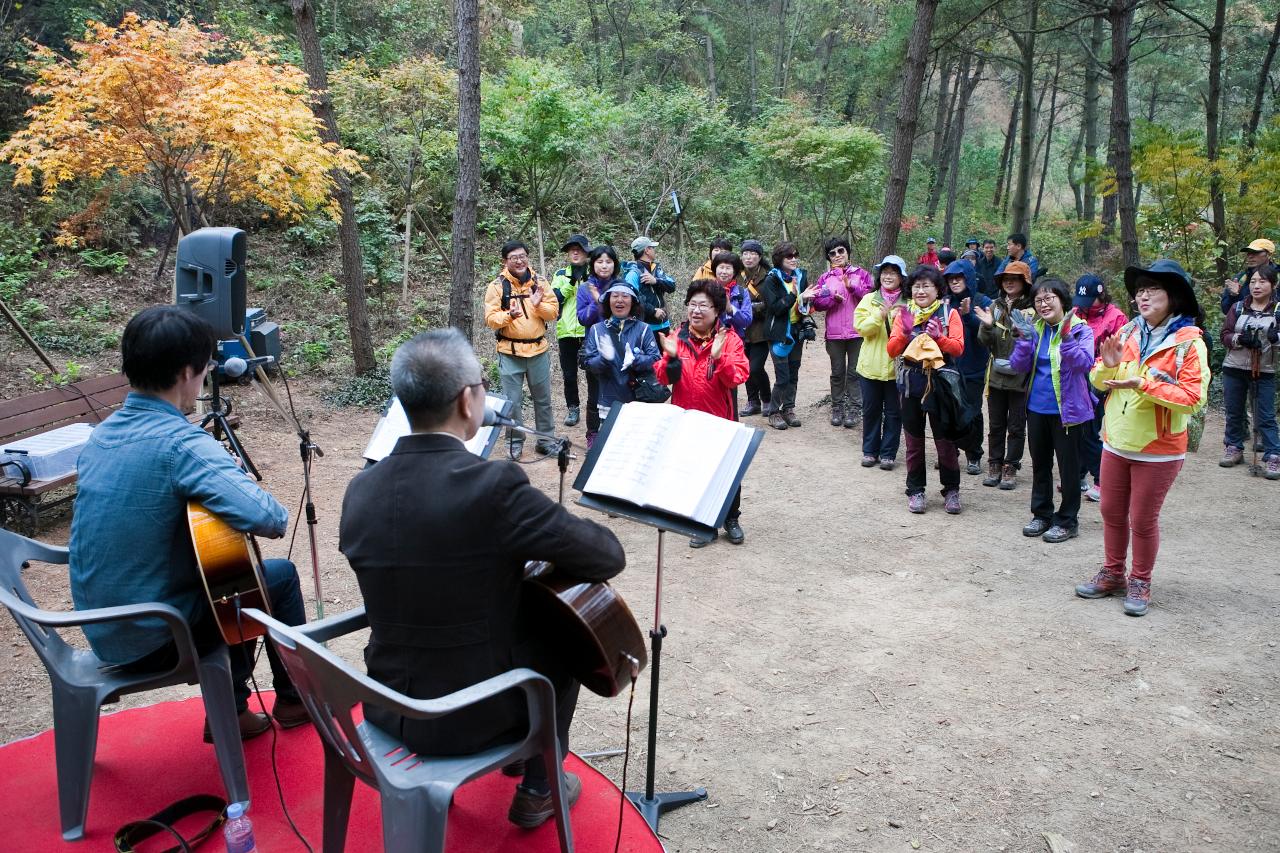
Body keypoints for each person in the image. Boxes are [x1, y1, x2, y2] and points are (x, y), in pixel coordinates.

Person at [339, 329, 626, 827]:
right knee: (562, 636)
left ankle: (527, 769)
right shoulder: (494, 485)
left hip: (388, 705)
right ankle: (539, 786)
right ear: (468, 400)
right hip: (471, 716)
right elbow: (606, 556)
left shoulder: (359, 489)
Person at [69, 306, 307, 741]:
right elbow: (270, 518)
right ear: (185, 373)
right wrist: (227, 478)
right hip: (156, 637)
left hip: (104, 629)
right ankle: (296, 700)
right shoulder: (180, 444)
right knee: (275, 578)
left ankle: (233, 709)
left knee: (227, 573)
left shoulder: (101, 435)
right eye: (205, 370)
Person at [1076, 259, 1210, 616]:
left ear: (1174, 296)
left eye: (1153, 289)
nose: (1143, 296)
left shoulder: (1188, 344)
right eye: (1139, 291)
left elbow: (1193, 399)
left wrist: (1143, 385)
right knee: (1110, 511)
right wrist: (1105, 366)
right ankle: (1113, 572)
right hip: (1116, 439)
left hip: (1159, 449)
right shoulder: (1130, 333)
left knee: (1142, 519)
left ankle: (1140, 580)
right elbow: (1099, 382)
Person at [653, 281, 751, 547]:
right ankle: (701, 522)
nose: (696, 311)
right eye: (692, 305)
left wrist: (719, 358)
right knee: (693, 469)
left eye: (703, 306)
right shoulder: (677, 337)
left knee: (727, 471)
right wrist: (671, 359)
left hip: (721, 419)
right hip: (687, 419)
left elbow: (737, 377)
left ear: (717, 310)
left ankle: (731, 518)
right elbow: (663, 378)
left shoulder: (729, 340)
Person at [1008, 278, 1096, 543]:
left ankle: (1068, 520)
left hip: (1068, 412)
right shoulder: (1034, 329)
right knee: (1040, 465)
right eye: (1038, 300)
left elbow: (1083, 364)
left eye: (1049, 298)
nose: (1043, 304)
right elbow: (1018, 366)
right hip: (1036, 408)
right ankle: (1042, 514)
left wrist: (1066, 336)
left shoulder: (1082, 330)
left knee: (1068, 468)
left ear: (1062, 300)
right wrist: (1023, 340)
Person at [886, 266, 965, 514]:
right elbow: (891, 350)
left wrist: (940, 338)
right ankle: (916, 490)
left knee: (945, 440)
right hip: (911, 382)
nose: (921, 291)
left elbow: (958, 348)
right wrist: (906, 332)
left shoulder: (949, 313)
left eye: (926, 286)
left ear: (937, 289)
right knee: (913, 440)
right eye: (916, 286)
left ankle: (951, 490)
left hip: (941, 384)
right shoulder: (904, 314)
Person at [484, 240, 560, 459]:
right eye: (513, 257)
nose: (519, 261)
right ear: (505, 261)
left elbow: (553, 312)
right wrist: (510, 315)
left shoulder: (541, 282)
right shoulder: (497, 286)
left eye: (522, 256)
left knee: (543, 399)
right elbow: (490, 319)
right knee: (512, 401)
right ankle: (514, 442)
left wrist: (538, 305)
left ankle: (545, 440)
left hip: (538, 350)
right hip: (510, 352)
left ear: (528, 257)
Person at [974, 260, 1035, 490]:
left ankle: (1011, 466)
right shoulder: (995, 306)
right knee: (997, 424)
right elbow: (983, 341)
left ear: (1024, 283)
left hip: (1021, 378)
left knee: (1017, 426)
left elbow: (1033, 344)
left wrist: (1021, 333)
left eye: (1015, 278)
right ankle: (994, 464)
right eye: (1005, 279)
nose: (1009, 282)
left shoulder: (1033, 310)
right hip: (997, 375)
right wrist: (988, 325)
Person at [1219, 263, 1279, 478]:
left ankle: (1273, 455)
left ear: (1273, 285)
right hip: (1234, 367)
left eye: (1262, 281)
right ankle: (1234, 447)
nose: (1256, 286)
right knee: (1234, 410)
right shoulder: (1237, 308)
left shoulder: (1278, 310)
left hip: (1264, 370)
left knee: (1266, 415)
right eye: (1253, 281)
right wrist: (1239, 339)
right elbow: (1224, 334)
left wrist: (1275, 339)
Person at [1073, 274, 1128, 501]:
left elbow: (1122, 353)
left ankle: (1102, 481)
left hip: (1102, 381)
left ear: (1102, 295)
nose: (1085, 307)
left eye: (1091, 301)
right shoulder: (1077, 313)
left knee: (1088, 431)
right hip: (1077, 378)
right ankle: (1077, 476)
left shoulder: (1117, 318)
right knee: (1078, 430)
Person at [811, 237, 874, 428]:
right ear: (828, 257)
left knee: (855, 373)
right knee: (837, 373)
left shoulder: (862, 274)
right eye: (833, 253)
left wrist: (852, 287)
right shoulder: (825, 278)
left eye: (841, 251)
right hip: (835, 334)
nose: (837, 255)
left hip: (857, 332)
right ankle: (837, 407)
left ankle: (855, 408)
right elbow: (817, 303)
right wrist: (833, 299)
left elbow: (871, 297)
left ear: (847, 252)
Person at [853, 255, 908, 469]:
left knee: (894, 413)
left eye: (893, 272)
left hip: (897, 370)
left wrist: (897, 318)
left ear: (901, 278)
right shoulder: (869, 300)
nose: (888, 276)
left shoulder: (909, 302)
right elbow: (861, 328)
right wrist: (879, 315)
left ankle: (888, 454)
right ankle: (869, 451)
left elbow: (911, 332)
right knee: (871, 410)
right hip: (870, 368)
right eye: (885, 272)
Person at [582, 281, 661, 420]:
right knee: (610, 440)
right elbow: (588, 363)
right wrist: (603, 359)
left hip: (639, 399)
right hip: (608, 401)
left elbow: (656, 360)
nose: (619, 300)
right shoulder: (596, 330)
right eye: (615, 296)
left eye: (625, 296)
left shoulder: (643, 329)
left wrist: (636, 359)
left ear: (633, 301)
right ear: (608, 301)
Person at [943, 259, 992, 474]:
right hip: (950, 367)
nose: (954, 282)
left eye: (959, 277)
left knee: (972, 412)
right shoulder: (945, 302)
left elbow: (987, 336)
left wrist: (968, 316)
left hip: (975, 368)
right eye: (950, 278)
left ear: (969, 278)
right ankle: (950, 451)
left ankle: (974, 454)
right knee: (949, 410)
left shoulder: (983, 301)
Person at [576, 245, 628, 447]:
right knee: (595, 392)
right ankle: (593, 434)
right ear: (593, 264)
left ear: (615, 264)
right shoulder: (584, 288)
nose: (604, 266)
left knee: (621, 388)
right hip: (594, 346)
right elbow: (582, 319)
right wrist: (597, 303)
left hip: (621, 344)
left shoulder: (621, 286)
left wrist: (604, 301)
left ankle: (619, 430)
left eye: (608, 261)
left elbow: (628, 312)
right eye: (600, 261)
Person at [760, 241, 814, 430]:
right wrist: (794, 296)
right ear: (779, 259)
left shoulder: (801, 276)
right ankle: (774, 412)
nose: (794, 259)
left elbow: (805, 306)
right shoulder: (771, 280)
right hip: (778, 333)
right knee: (782, 375)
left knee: (793, 373)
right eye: (789, 256)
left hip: (796, 330)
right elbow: (775, 308)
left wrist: (805, 300)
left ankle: (788, 409)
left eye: (795, 255)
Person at [550, 234, 595, 431]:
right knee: (569, 374)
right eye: (571, 249)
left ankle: (594, 408)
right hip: (566, 331)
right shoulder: (560, 274)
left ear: (586, 252)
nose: (575, 252)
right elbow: (555, 299)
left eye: (579, 249)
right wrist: (570, 282)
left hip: (589, 330)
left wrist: (584, 279)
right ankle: (573, 408)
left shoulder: (595, 273)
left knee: (593, 373)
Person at [739, 239, 773, 416]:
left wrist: (750, 308)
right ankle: (753, 401)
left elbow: (770, 304)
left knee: (756, 368)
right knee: (745, 367)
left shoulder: (768, 277)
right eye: (745, 253)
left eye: (752, 254)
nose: (748, 257)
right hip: (740, 331)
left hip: (759, 331)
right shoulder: (737, 275)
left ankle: (767, 399)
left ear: (759, 257)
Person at [624, 236, 677, 335]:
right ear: (647, 250)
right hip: (645, 328)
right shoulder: (633, 273)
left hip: (664, 324)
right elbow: (631, 298)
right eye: (652, 248)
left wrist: (656, 281)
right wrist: (653, 311)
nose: (654, 250)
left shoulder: (656, 269)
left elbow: (672, 286)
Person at [1221, 238, 1274, 315]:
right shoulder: (1240, 279)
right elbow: (1226, 311)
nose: (1250, 256)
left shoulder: (1277, 277)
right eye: (1248, 253)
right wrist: (1233, 295)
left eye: (1255, 252)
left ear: (1269, 254)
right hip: (1245, 324)